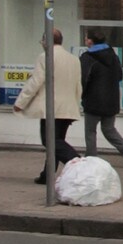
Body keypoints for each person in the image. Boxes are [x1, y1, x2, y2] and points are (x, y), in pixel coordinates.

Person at [14, 27, 85, 185]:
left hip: (51, 107)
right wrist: (75, 104)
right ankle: (47, 175)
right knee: (57, 141)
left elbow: (36, 81)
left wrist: (20, 103)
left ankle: (77, 163)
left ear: (47, 42)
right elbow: (78, 86)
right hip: (68, 107)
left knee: (50, 141)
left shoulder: (45, 56)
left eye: (43, 41)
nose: (42, 44)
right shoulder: (74, 59)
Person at [80, 27, 123, 167]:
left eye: (86, 38)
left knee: (90, 131)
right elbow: (119, 76)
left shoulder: (87, 58)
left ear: (91, 41)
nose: (85, 40)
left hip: (93, 101)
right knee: (109, 129)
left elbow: (83, 79)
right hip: (111, 100)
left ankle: (91, 159)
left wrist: (82, 94)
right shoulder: (112, 55)